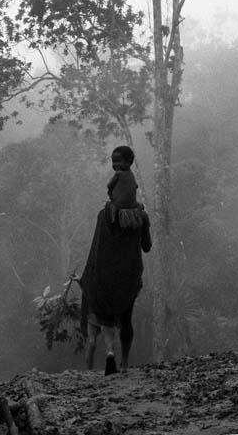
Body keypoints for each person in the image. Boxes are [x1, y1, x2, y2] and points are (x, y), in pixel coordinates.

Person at [79, 145, 152, 375]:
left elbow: (96, 250)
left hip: (106, 277)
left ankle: (106, 357)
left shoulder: (105, 216)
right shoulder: (141, 216)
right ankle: (125, 364)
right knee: (127, 318)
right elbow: (147, 247)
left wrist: (89, 277)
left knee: (105, 317)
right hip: (129, 277)